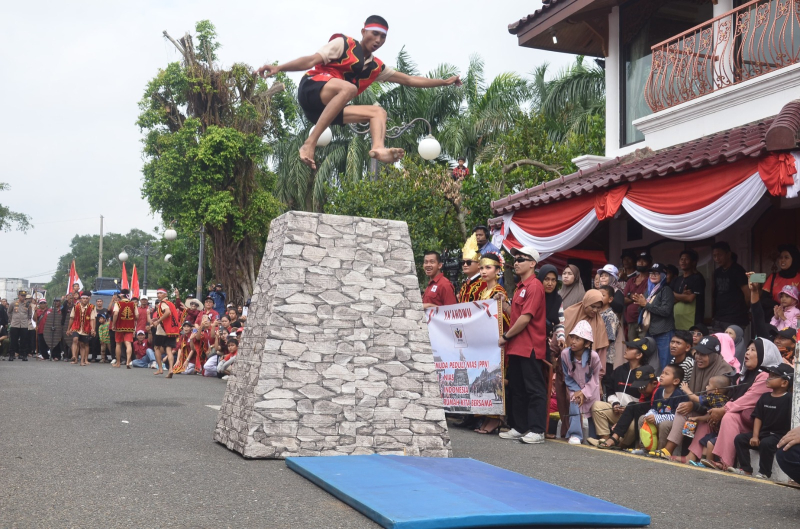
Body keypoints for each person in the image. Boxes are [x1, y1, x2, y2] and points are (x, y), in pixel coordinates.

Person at [257, 15, 461, 169]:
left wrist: (443, 82)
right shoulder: (344, 44)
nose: (378, 40)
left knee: (378, 112)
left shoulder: (375, 67)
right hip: (312, 88)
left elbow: (408, 79)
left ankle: (379, 148)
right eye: (375, 34)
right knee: (349, 88)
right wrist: (279, 68)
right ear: (363, 31)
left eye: (383, 37)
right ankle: (309, 143)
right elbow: (310, 60)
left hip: (322, 111)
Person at [496, 246, 548, 445]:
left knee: (534, 389)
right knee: (517, 388)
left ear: (533, 263)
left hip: (530, 346)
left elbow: (526, 319)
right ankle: (519, 427)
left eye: (521, 259)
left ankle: (537, 430)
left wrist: (506, 336)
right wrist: (504, 303)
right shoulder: (520, 288)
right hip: (517, 346)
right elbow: (516, 314)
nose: (516, 262)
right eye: (515, 259)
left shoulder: (535, 286)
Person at [659, 334, 735, 461]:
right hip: (699, 407)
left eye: (703, 354)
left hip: (714, 414)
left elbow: (715, 404)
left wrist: (693, 404)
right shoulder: (698, 365)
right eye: (697, 353)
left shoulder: (724, 371)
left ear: (714, 355)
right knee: (682, 408)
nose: (698, 357)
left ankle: (688, 456)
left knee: (691, 412)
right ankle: (667, 450)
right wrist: (692, 404)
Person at [730, 364, 793, 478]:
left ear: (784, 383)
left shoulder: (790, 399)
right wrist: (755, 436)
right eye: (770, 374)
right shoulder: (764, 396)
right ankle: (746, 469)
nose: (768, 377)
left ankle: (764, 473)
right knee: (740, 439)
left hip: (778, 436)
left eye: (774, 376)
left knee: (766, 443)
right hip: (763, 434)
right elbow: (758, 417)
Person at [588, 337, 651, 447]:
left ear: (639, 355)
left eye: (630, 348)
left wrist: (630, 409)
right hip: (617, 411)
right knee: (597, 406)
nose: (626, 349)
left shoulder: (646, 372)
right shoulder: (619, 370)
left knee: (632, 426)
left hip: (633, 415)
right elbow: (610, 389)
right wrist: (615, 403)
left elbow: (646, 400)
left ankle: (619, 444)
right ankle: (604, 439)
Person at [594, 365, 659, 450]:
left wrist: (629, 409)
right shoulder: (645, 392)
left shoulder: (659, 391)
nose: (641, 391)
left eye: (643, 387)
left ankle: (616, 441)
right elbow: (640, 405)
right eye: (638, 388)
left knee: (632, 406)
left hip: (657, 417)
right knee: (632, 406)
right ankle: (607, 439)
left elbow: (647, 408)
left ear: (654, 383)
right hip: (629, 414)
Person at [560, 321, 601, 445]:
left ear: (587, 343)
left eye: (578, 339)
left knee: (594, 411)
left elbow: (595, 377)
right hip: (574, 387)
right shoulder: (565, 354)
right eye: (572, 337)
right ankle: (575, 434)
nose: (573, 341)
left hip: (591, 389)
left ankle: (595, 436)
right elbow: (567, 376)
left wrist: (584, 392)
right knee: (574, 403)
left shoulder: (594, 357)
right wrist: (577, 391)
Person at [631, 263, 674, 372]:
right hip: (650, 331)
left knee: (664, 363)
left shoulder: (666, 290)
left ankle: (664, 388)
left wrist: (646, 304)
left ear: (663, 275)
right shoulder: (649, 291)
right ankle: (653, 386)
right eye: (651, 273)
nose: (653, 275)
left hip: (663, 332)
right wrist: (640, 304)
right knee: (651, 362)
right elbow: (642, 309)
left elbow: (666, 311)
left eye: (656, 273)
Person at [680, 375, 730, 466]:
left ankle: (709, 463)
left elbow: (694, 398)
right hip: (718, 429)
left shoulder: (713, 397)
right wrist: (698, 418)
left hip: (720, 431)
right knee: (704, 441)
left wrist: (686, 389)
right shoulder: (724, 399)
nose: (706, 387)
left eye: (709, 385)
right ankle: (703, 462)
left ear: (716, 390)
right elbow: (710, 416)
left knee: (709, 443)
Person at [639, 364, 687, 452]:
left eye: (666, 374)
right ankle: (645, 448)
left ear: (675, 381)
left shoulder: (679, 395)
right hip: (657, 419)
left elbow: (676, 416)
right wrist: (650, 414)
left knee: (664, 424)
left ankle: (661, 451)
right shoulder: (659, 391)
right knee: (642, 418)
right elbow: (654, 408)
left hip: (670, 423)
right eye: (662, 373)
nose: (662, 375)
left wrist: (657, 418)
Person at [711, 241, 750, 332]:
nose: (717, 258)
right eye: (714, 256)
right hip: (719, 318)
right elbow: (714, 295)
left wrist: (745, 310)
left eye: (719, 255)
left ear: (728, 254)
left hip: (735, 318)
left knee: (732, 345)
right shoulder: (717, 272)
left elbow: (747, 295)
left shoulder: (738, 271)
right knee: (717, 345)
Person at [672, 249, 706, 330]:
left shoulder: (697, 278)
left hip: (692, 321)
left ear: (693, 262)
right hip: (677, 321)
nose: (683, 261)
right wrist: (682, 296)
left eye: (686, 259)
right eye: (681, 259)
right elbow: (669, 298)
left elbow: (690, 298)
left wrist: (675, 295)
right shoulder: (677, 279)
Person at [623, 252, 652, 341]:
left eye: (644, 261)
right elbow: (623, 299)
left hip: (645, 321)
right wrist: (635, 297)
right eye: (639, 261)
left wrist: (630, 295)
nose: (640, 263)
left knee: (644, 347)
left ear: (650, 264)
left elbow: (646, 298)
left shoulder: (651, 280)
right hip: (630, 320)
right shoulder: (631, 280)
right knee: (632, 348)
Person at [153, 289, 180, 377]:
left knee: (156, 347)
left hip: (163, 329)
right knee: (168, 350)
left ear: (165, 294)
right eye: (158, 293)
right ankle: (171, 369)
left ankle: (160, 368)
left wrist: (159, 320)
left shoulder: (163, 303)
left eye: (160, 293)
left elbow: (167, 312)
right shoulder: (171, 303)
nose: (158, 295)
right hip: (172, 329)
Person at [597, 285, 620, 381]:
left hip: (605, 357)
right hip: (596, 354)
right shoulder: (596, 313)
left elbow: (610, 338)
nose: (599, 297)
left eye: (603, 295)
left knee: (604, 383)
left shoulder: (610, 316)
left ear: (610, 299)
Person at [68, 293, 96, 366]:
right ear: (81, 299)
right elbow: (71, 318)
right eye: (83, 298)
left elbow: (92, 319)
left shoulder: (92, 307)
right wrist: (68, 329)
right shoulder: (75, 307)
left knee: (83, 344)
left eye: (86, 298)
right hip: (76, 327)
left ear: (88, 299)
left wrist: (93, 329)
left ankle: (82, 361)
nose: (85, 300)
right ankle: (74, 356)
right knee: (75, 339)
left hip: (86, 328)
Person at [457, 235, 487, 302]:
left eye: (468, 262)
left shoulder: (484, 283)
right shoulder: (465, 284)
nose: (465, 265)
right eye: (463, 262)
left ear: (478, 265)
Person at [113, 290, 137, 369]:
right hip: (130, 327)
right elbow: (137, 315)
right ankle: (128, 361)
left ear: (121, 295)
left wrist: (114, 324)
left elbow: (116, 313)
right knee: (128, 344)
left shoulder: (118, 304)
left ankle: (118, 363)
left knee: (118, 344)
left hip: (119, 326)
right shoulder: (133, 304)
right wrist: (133, 320)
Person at [7, 290, 33, 361]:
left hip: (24, 325)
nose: (23, 297)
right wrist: (12, 320)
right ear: (18, 296)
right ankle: (12, 355)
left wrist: (27, 320)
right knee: (13, 341)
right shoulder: (13, 303)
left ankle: (23, 355)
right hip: (15, 324)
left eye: (24, 296)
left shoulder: (27, 304)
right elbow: (9, 312)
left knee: (24, 341)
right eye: (21, 295)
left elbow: (30, 314)